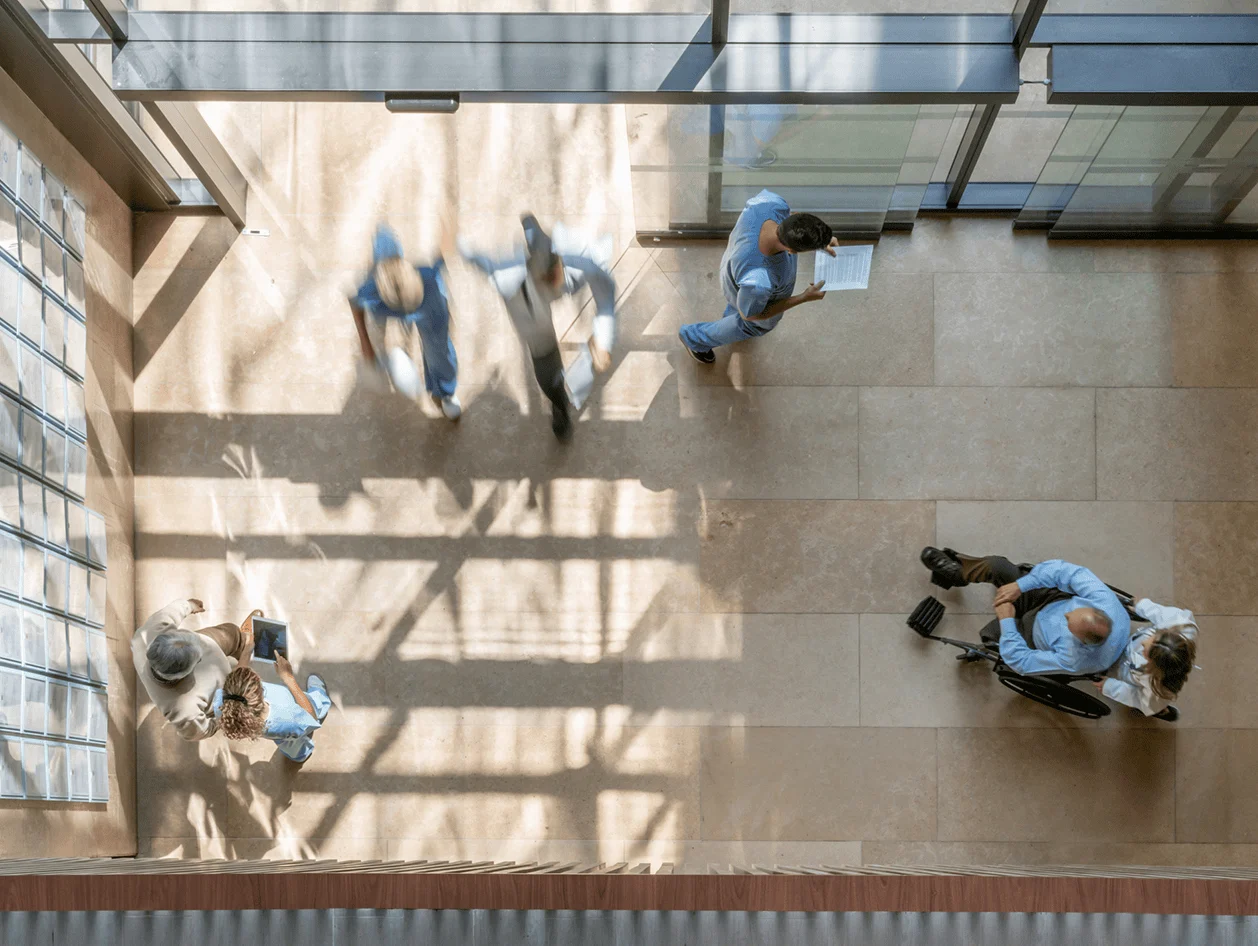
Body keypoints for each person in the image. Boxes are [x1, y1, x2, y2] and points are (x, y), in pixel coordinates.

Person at [460, 214, 617, 442]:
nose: (550, 285)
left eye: (553, 280)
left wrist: (603, 339)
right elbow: (480, 262)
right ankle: (558, 400)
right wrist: (460, 246)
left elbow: (605, 297)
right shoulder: (508, 275)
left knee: (549, 363)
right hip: (533, 328)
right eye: (544, 280)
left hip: (543, 314)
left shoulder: (583, 260)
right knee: (544, 363)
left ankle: (559, 402)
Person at [678, 189, 839, 365]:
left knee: (738, 305)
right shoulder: (759, 281)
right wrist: (804, 297)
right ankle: (694, 339)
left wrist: (820, 242)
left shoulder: (772, 204)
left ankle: (733, 309)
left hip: (733, 267)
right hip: (748, 293)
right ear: (791, 251)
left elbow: (792, 219)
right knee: (745, 324)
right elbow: (752, 315)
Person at [920, 547, 1130, 677]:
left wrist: (1007, 621)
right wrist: (1021, 586)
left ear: (1080, 642)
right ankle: (958, 574)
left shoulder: (1075, 659)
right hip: (1050, 599)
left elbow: (1022, 663)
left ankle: (1003, 628)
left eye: (1068, 623)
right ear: (1095, 609)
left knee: (991, 636)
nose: (1066, 615)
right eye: (1071, 613)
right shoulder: (1106, 602)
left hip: (1029, 634)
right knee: (997, 565)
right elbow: (1064, 571)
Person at [350, 223, 461, 420]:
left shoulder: (431, 281)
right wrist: (366, 346)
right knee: (384, 241)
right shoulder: (372, 288)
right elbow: (355, 304)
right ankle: (383, 234)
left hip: (428, 308)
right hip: (392, 303)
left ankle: (446, 393)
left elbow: (441, 258)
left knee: (439, 351)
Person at [131, 599, 263, 741]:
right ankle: (248, 652)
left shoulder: (147, 634)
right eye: (199, 659)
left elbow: (168, 614)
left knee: (230, 632)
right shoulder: (184, 710)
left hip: (189, 648)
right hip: (229, 691)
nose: (203, 648)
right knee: (243, 691)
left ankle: (241, 642)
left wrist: (188, 605)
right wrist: (222, 719)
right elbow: (199, 731)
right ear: (182, 674)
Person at [213, 653, 331, 764]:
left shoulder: (222, 705)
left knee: (289, 744)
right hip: (295, 723)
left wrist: (247, 650)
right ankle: (320, 696)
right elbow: (311, 717)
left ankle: (299, 755)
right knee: (314, 705)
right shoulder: (288, 719)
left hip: (279, 734)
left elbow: (236, 682)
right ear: (260, 691)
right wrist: (289, 679)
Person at [1098, 597, 1198, 721]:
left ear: (1154, 666)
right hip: (1132, 654)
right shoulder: (1181, 626)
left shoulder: (1158, 688)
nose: (1144, 642)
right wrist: (1141, 606)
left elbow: (1137, 697)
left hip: (1129, 670)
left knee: (1152, 704)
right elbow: (1160, 613)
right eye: (1154, 637)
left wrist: (1111, 687)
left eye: (1146, 652)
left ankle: (1161, 711)